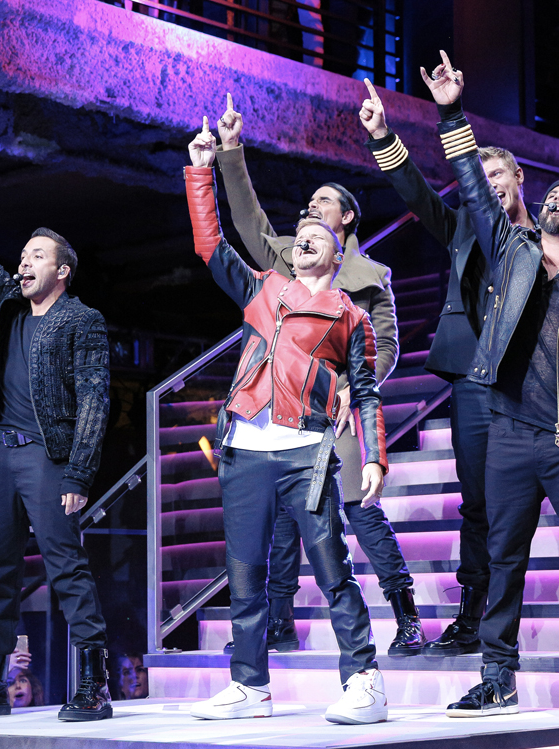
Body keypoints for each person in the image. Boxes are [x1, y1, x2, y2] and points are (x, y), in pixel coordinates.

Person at [419, 52, 559, 722]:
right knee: (503, 557)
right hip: (509, 431)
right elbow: (471, 183)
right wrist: (452, 112)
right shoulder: (511, 251)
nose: (557, 198)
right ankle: (497, 676)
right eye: (552, 195)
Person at [185, 118, 388, 724]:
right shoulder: (263, 288)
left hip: (307, 451)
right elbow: (210, 245)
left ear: (338, 251)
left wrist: (374, 456)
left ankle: (365, 680)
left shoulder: (350, 315)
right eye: (299, 234)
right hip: (245, 446)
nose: (304, 238)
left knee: (331, 567)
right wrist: (200, 171)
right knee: (245, 572)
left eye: (316, 234)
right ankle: (250, 684)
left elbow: (367, 392)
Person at [214, 94, 423, 657]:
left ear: (347, 218)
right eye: (308, 203)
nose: (311, 207)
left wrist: (354, 387)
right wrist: (232, 151)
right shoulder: (286, 260)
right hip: (284, 409)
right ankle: (279, 622)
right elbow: (247, 221)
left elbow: (385, 346)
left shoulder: (370, 276)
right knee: (284, 515)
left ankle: (405, 616)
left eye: (323, 202)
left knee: (358, 506)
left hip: (340, 408)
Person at [0, 143, 113, 722]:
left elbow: (95, 399)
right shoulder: (11, 307)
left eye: (38, 256)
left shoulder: (81, 319)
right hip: (0, 455)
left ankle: (94, 683)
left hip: (48, 457)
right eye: (24, 255)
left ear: (62, 271)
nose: (24, 262)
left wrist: (79, 472)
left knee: (65, 564)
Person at [358, 78, 535, 657]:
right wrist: (382, 136)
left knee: (528, 499)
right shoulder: (461, 226)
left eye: (497, 174)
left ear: (519, 178)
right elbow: (415, 191)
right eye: (479, 177)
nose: (488, 184)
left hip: (530, 381)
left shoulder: (545, 237)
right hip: (473, 380)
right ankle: (474, 616)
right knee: (478, 500)